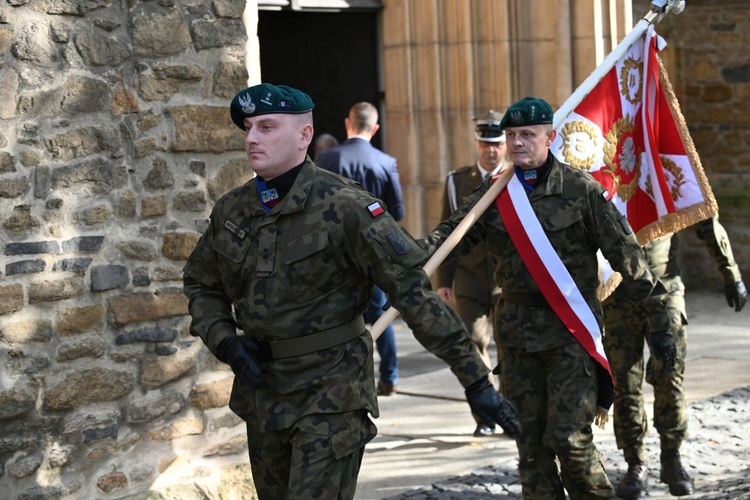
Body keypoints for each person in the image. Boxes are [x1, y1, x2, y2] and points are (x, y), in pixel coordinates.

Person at [182, 83, 521, 500]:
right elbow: (202, 282)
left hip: (331, 396)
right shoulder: (233, 209)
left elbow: (414, 295)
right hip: (263, 396)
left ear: (304, 135)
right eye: (249, 127)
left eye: (267, 127)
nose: (252, 137)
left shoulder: (347, 208)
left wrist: (476, 381)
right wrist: (224, 341)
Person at [420, 96, 677, 499]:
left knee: (570, 442)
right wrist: (398, 255)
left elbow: (626, 256)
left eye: (527, 134)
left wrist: (660, 320)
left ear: (550, 137)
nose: (517, 143)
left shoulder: (580, 190)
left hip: (568, 333)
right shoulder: (493, 194)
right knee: (530, 447)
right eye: (510, 135)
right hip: (517, 337)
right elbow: (447, 238)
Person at [603, 215, 747, 499]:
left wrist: (731, 272)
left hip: (665, 287)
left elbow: (703, 215)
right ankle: (636, 462)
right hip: (619, 294)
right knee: (624, 382)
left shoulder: (665, 171)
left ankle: (672, 458)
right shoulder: (603, 171)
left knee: (669, 374)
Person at [316, 101, 405, 396]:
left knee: (338, 317)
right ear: (375, 128)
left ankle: (343, 376)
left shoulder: (326, 158)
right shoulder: (386, 162)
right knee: (381, 315)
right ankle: (389, 376)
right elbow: (397, 213)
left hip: (335, 254)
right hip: (375, 252)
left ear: (347, 123)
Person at [437, 109, 511, 436]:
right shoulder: (456, 182)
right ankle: (485, 415)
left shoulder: (515, 178)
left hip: (507, 277)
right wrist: (444, 280)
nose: (490, 150)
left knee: (509, 346)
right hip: (468, 278)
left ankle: (510, 410)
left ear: (505, 145)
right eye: (484, 143)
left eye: (495, 143)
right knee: (473, 345)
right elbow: (447, 232)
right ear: (476, 142)